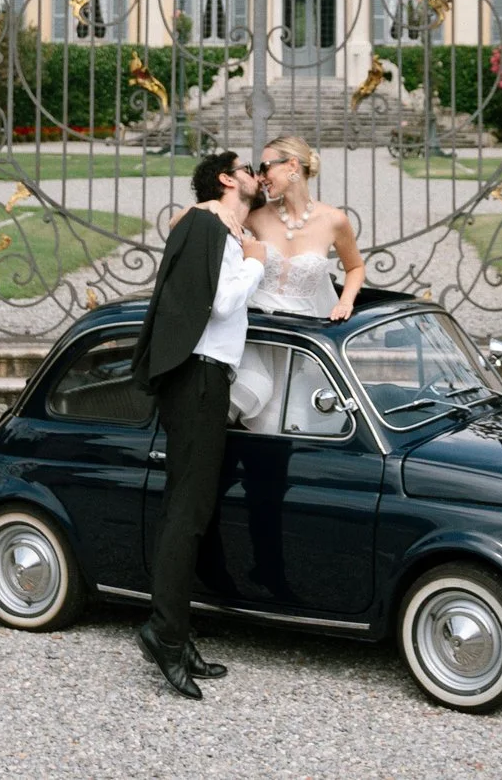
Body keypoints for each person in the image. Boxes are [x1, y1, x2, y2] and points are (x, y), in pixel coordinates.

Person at [129, 149, 266, 700]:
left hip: (211, 379)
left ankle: (176, 634)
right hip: (197, 379)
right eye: (249, 167)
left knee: (192, 512)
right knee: (187, 513)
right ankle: (163, 633)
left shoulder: (224, 226)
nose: (258, 174)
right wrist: (257, 260)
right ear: (227, 178)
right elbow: (218, 305)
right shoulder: (208, 222)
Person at [245, 136, 366, 324]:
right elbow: (204, 223)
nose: (260, 177)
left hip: (305, 329)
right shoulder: (256, 216)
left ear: (292, 165)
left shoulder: (334, 220)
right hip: (257, 326)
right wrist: (212, 205)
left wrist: (345, 302)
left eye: (265, 167)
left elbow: (355, 267)